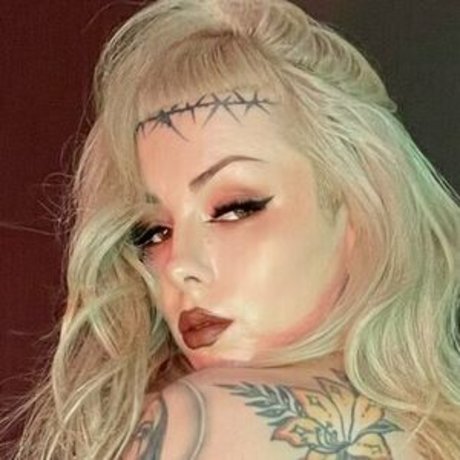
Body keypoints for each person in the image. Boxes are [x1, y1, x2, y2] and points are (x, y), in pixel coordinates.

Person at [3, 0, 460, 458]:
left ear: (359, 211)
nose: (180, 265)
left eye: (235, 209)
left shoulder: (204, 417)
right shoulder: (429, 433)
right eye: (153, 232)